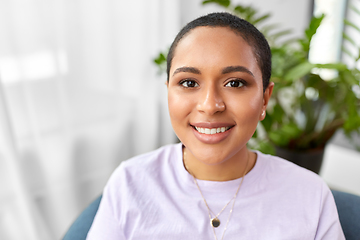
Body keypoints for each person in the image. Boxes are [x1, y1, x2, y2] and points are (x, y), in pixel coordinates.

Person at [86, 12, 345, 240]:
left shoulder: (310, 195)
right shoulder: (131, 183)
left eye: (234, 83)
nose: (210, 106)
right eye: (188, 83)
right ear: (168, 93)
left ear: (265, 98)